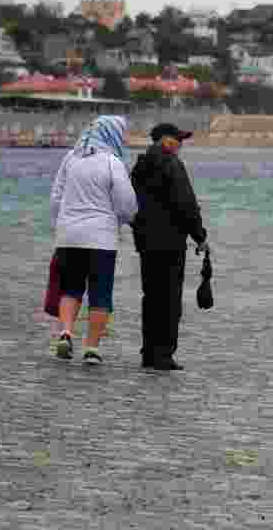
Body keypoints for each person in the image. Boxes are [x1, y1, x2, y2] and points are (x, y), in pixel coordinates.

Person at [49, 115, 138, 365]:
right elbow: (126, 204)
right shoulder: (112, 162)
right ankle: (91, 348)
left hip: (68, 237)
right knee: (100, 294)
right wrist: (121, 220)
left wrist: (60, 226)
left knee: (70, 289)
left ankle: (66, 332)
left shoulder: (70, 158)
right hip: (101, 239)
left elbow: (56, 198)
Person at [129, 123, 209, 371]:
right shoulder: (172, 164)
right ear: (165, 140)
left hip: (146, 242)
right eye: (178, 140)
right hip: (171, 242)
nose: (180, 145)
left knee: (151, 297)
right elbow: (186, 204)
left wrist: (139, 229)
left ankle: (148, 353)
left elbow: (129, 203)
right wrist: (200, 236)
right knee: (170, 299)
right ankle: (163, 354)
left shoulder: (140, 166)